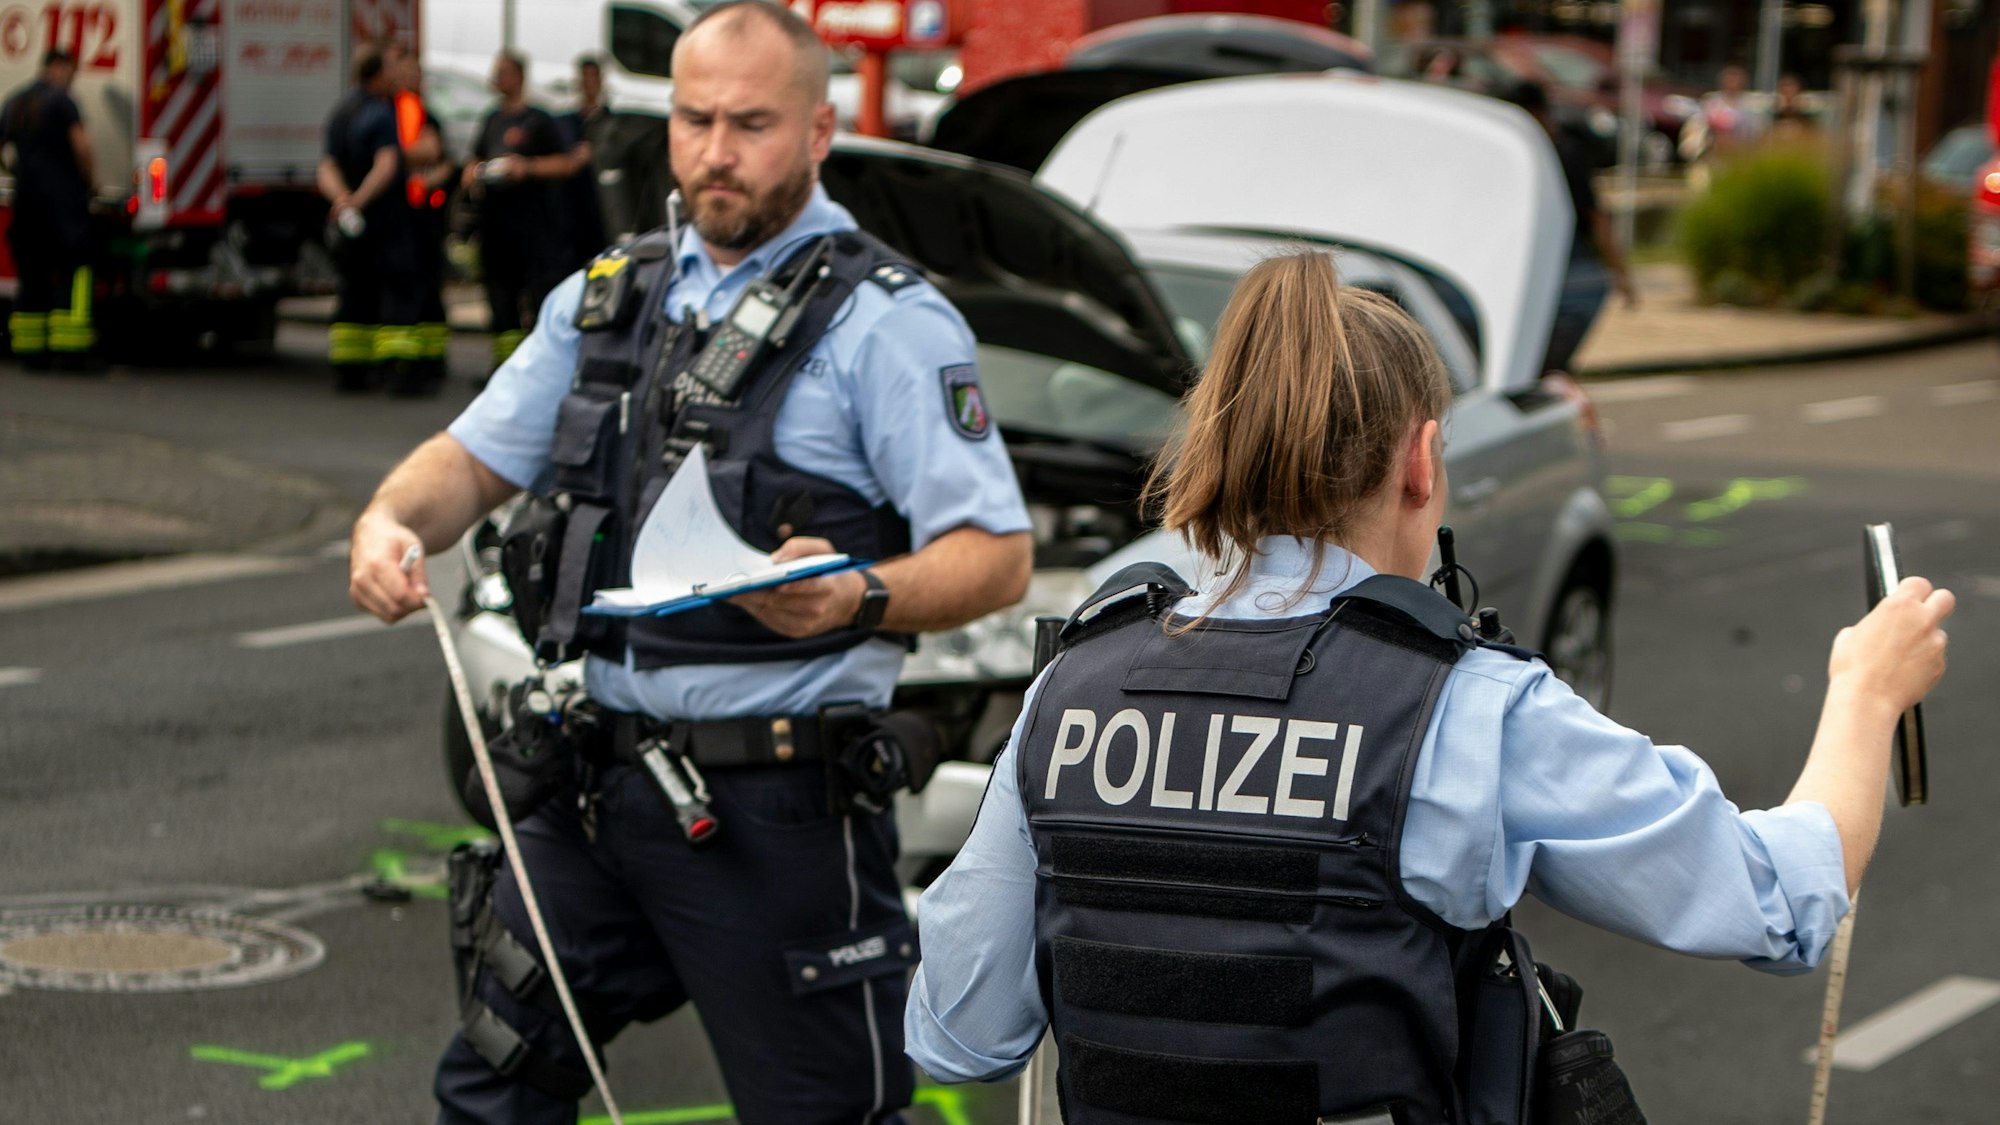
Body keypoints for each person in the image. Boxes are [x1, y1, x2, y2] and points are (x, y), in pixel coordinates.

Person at [905, 250, 1954, 1122]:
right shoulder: (1463, 709)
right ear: (1419, 461)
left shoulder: (1072, 691)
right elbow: (1777, 904)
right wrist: (1863, 693)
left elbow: (956, 1032)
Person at [348, 3, 1034, 1122]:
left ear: (818, 131)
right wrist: (386, 521)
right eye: (693, 119)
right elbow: (468, 463)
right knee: (489, 1091)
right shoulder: (610, 297)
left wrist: (858, 595)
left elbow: (996, 558)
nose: (716, 152)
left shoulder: (886, 325)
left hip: (775, 815)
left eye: (750, 123)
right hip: (597, 790)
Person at [1503, 79, 1635, 375]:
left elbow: (1595, 216)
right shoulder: (1546, 152)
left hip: (1568, 269)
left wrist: (1619, 273)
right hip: (1556, 269)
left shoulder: (1559, 154)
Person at [463, 51, 576, 379]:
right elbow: (475, 158)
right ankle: (505, 368)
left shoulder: (538, 120)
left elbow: (564, 164)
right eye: (496, 72)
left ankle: (542, 369)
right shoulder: (491, 119)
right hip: (495, 227)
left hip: (532, 227)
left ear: (520, 77)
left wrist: (525, 168)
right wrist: (473, 172)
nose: (498, 78)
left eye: (505, 72)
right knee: (500, 297)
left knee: (537, 296)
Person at [318, 43, 420, 393]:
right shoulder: (380, 113)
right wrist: (360, 200)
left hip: (351, 224)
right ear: (377, 75)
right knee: (396, 288)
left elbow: (327, 166)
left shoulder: (340, 112)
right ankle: (398, 370)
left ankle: (350, 370)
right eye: (389, 71)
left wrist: (342, 201)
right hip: (385, 220)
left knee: (354, 290)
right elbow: (387, 164)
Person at [1, 48, 95, 369]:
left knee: (32, 275)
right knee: (74, 270)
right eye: (71, 71)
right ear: (58, 67)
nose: (72, 79)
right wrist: (89, 180)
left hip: (26, 202)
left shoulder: (15, 103)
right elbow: (81, 146)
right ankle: (70, 350)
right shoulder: (61, 102)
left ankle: (31, 350)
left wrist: (17, 172)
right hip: (62, 203)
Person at [393, 47, 457, 396]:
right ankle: (409, 364)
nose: (410, 79)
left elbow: (445, 160)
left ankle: (432, 361)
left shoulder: (426, 115)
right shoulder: (392, 113)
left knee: (429, 289)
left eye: (415, 73)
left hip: (425, 218)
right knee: (408, 288)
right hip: (402, 216)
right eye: (404, 73)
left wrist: (432, 180)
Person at [553, 55, 611, 271]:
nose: (588, 84)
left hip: (601, 207)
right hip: (571, 207)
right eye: (584, 78)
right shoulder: (566, 122)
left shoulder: (610, 122)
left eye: (593, 78)